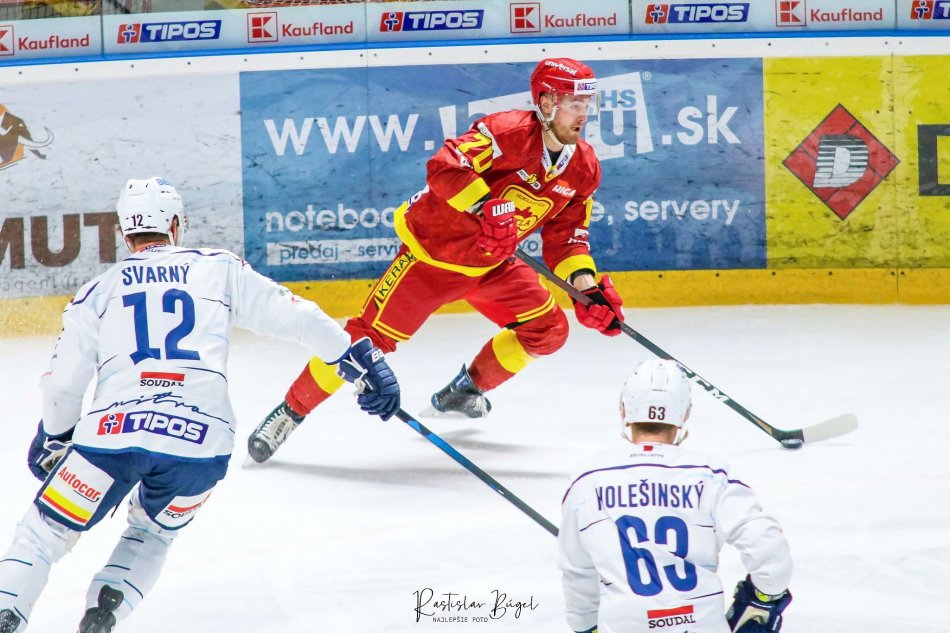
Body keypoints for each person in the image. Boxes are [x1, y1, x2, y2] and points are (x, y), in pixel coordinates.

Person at [0, 177, 400, 633]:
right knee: (152, 533)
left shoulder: (96, 293)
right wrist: (357, 359)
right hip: (200, 445)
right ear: (175, 225)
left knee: (43, 534)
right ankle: (102, 616)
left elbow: (62, 387)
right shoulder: (218, 268)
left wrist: (54, 436)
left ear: (124, 232)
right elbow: (297, 317)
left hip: (111, 438)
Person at [247, 57, 625, 464]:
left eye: (587, 105)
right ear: (547, 103)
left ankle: (466, 390)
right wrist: (484, 206)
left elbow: (567, 239)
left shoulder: (584, 168)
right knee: (363, 344)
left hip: (494, 265)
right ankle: (290, 411)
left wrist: (587, 290)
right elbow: (445, 167)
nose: (584, 115)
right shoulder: (506, 132)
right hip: (431, 260)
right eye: (574, 104)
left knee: (548, 330)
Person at [558, 359, 793, 633]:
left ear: (624, 410)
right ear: (684, 414)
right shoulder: (713, 475)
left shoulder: (587, 479)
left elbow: (577, 572)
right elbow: (770, 553)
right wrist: (763, 599)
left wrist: (586, 627)